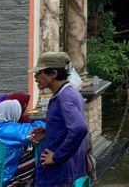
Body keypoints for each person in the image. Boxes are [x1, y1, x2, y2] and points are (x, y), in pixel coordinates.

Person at [30, 52, 89, 187]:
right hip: (64, 169)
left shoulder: (65, 97)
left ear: (53, 74)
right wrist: (48, 131)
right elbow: (68, 126)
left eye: (39, 73)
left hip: (59, 172)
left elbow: (79, 128)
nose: (35, 77)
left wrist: (57, 156)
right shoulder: (68, 93)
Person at [0, 100, 45, 186]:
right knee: (37, 154)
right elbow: (41, 128)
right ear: (14, 112)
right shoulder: (12, 129)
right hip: (2, 177)